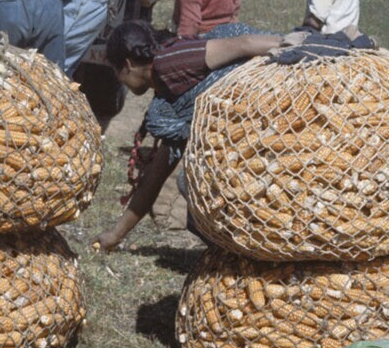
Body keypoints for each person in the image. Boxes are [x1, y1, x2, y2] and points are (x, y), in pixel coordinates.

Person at [92, 19, 289, 252]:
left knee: (195, 188)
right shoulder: (172, 100)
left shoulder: (170, 62)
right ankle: (236, 254)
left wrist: (294, 45)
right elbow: (155, 175)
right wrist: (116, 235)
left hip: (271, 117)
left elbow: (243, 44)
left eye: (117, 73)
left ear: (127, 65)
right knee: (191, 191)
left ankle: (243, 253)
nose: (119, 81)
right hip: (250, 132)